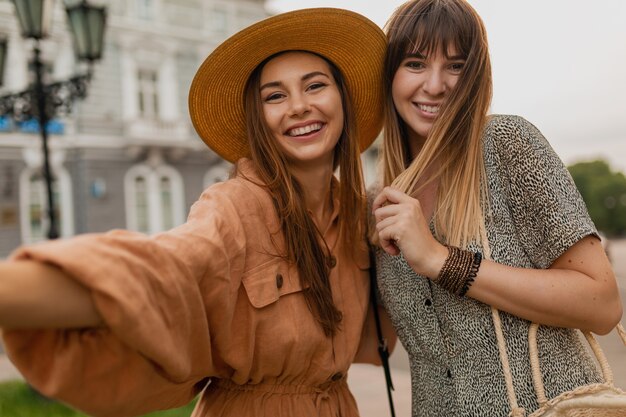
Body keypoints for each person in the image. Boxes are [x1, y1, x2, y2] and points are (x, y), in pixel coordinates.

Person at [0, 8, 394, 417]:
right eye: (275, 95)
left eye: (315, 86)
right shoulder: (234, 207)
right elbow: (166, 270)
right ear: (258, 120)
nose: (298, 106)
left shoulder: (358, 216)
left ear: (342, 99)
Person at [370, 0, 623, 416]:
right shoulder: (378, 205)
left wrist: (441, 259)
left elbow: (603, 304)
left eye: (455, 65)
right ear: (390, 75)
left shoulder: (507, 144)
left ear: (475, 77)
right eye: (415, 63)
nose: (434, 85)